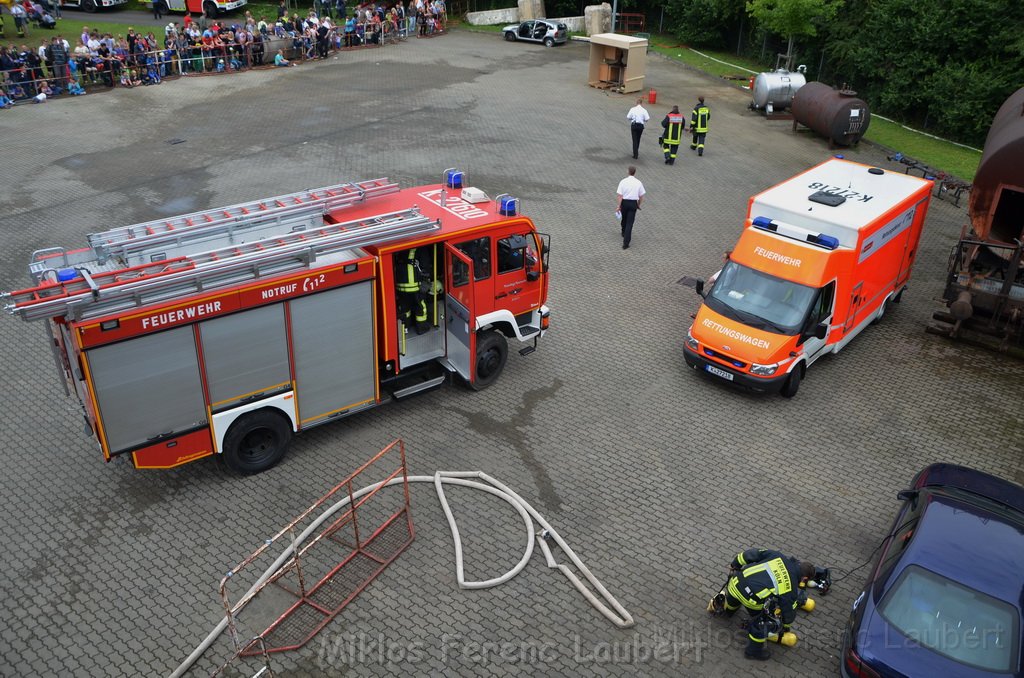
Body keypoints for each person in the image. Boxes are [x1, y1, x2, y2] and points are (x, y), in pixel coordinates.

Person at [720, 548, 816, 660]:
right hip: (750, 600)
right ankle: (753, 652)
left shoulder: (778, 556)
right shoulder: (790, 588)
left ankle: (729, 611)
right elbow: (788, 611)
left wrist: (735, 564)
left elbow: (751, 554)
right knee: (762, 624)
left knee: (734, 598)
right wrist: (785, 627)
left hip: (735, 583)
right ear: (804, 578)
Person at [616, 165, 645, 250]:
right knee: (630, 223)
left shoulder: (623, 181)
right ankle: (626, 243)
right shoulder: (639, 183)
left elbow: (620, 195)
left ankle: (623, 231)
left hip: (624, 203)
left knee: (624, 218)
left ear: (628, 172)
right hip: (633, 204)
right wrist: (638, 205)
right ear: (634, 172)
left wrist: (618, 206)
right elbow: (641, 196)